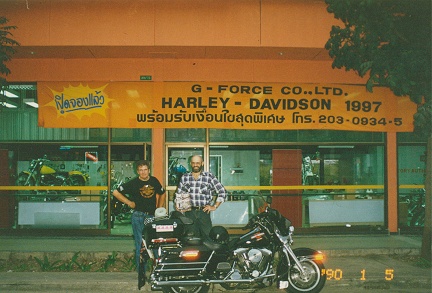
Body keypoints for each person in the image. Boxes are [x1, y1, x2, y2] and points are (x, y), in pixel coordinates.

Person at [112, 160, 165, 271]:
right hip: (138, 217)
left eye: (145, 170)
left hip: (151, 217)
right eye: (141, 170)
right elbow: (115, 192)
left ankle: (158, 269)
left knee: (155, 243)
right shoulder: (133, 183)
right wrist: (129, 203)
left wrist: (158, 209)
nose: (143, 172)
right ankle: (141, 271)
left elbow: (162, 193)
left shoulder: (154, 181)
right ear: (137, 172)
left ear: (149, 170)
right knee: (140, 244)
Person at [174, 155, 227, 239]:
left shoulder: (209, 177)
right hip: (189, 213)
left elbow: (222, 191)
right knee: (190, 238)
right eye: (193, 163)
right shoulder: (185, 178)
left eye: (198, 163)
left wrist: (214, 206)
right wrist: (178, 205)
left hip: (204, 212)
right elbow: (179, 195)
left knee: (208, 238)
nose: (195, 165)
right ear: (190, 164)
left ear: (202, 163)